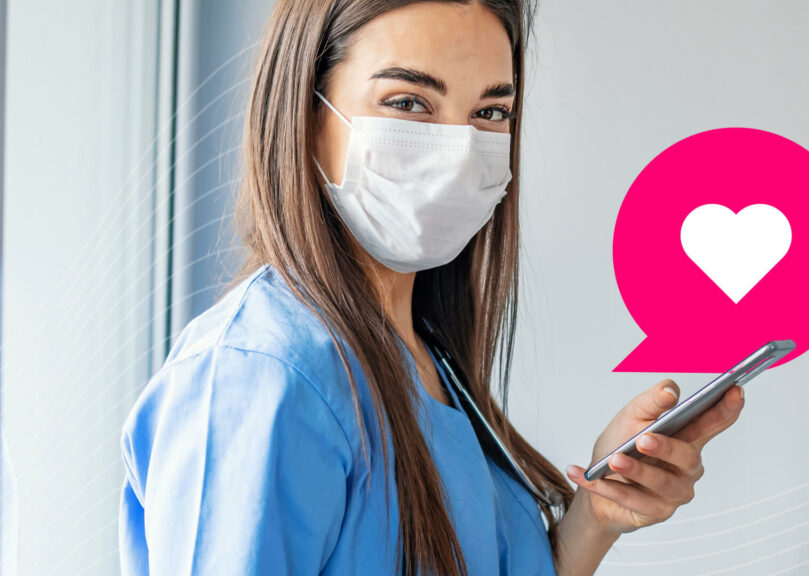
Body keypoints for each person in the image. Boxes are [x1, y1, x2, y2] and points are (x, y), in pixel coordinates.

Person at [118, 1, 745, 574]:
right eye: (409, 103)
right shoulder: (258, 376)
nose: (456, 150)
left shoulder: (429, 360)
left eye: (490, 112)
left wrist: (593, 520)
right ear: (307, 115)